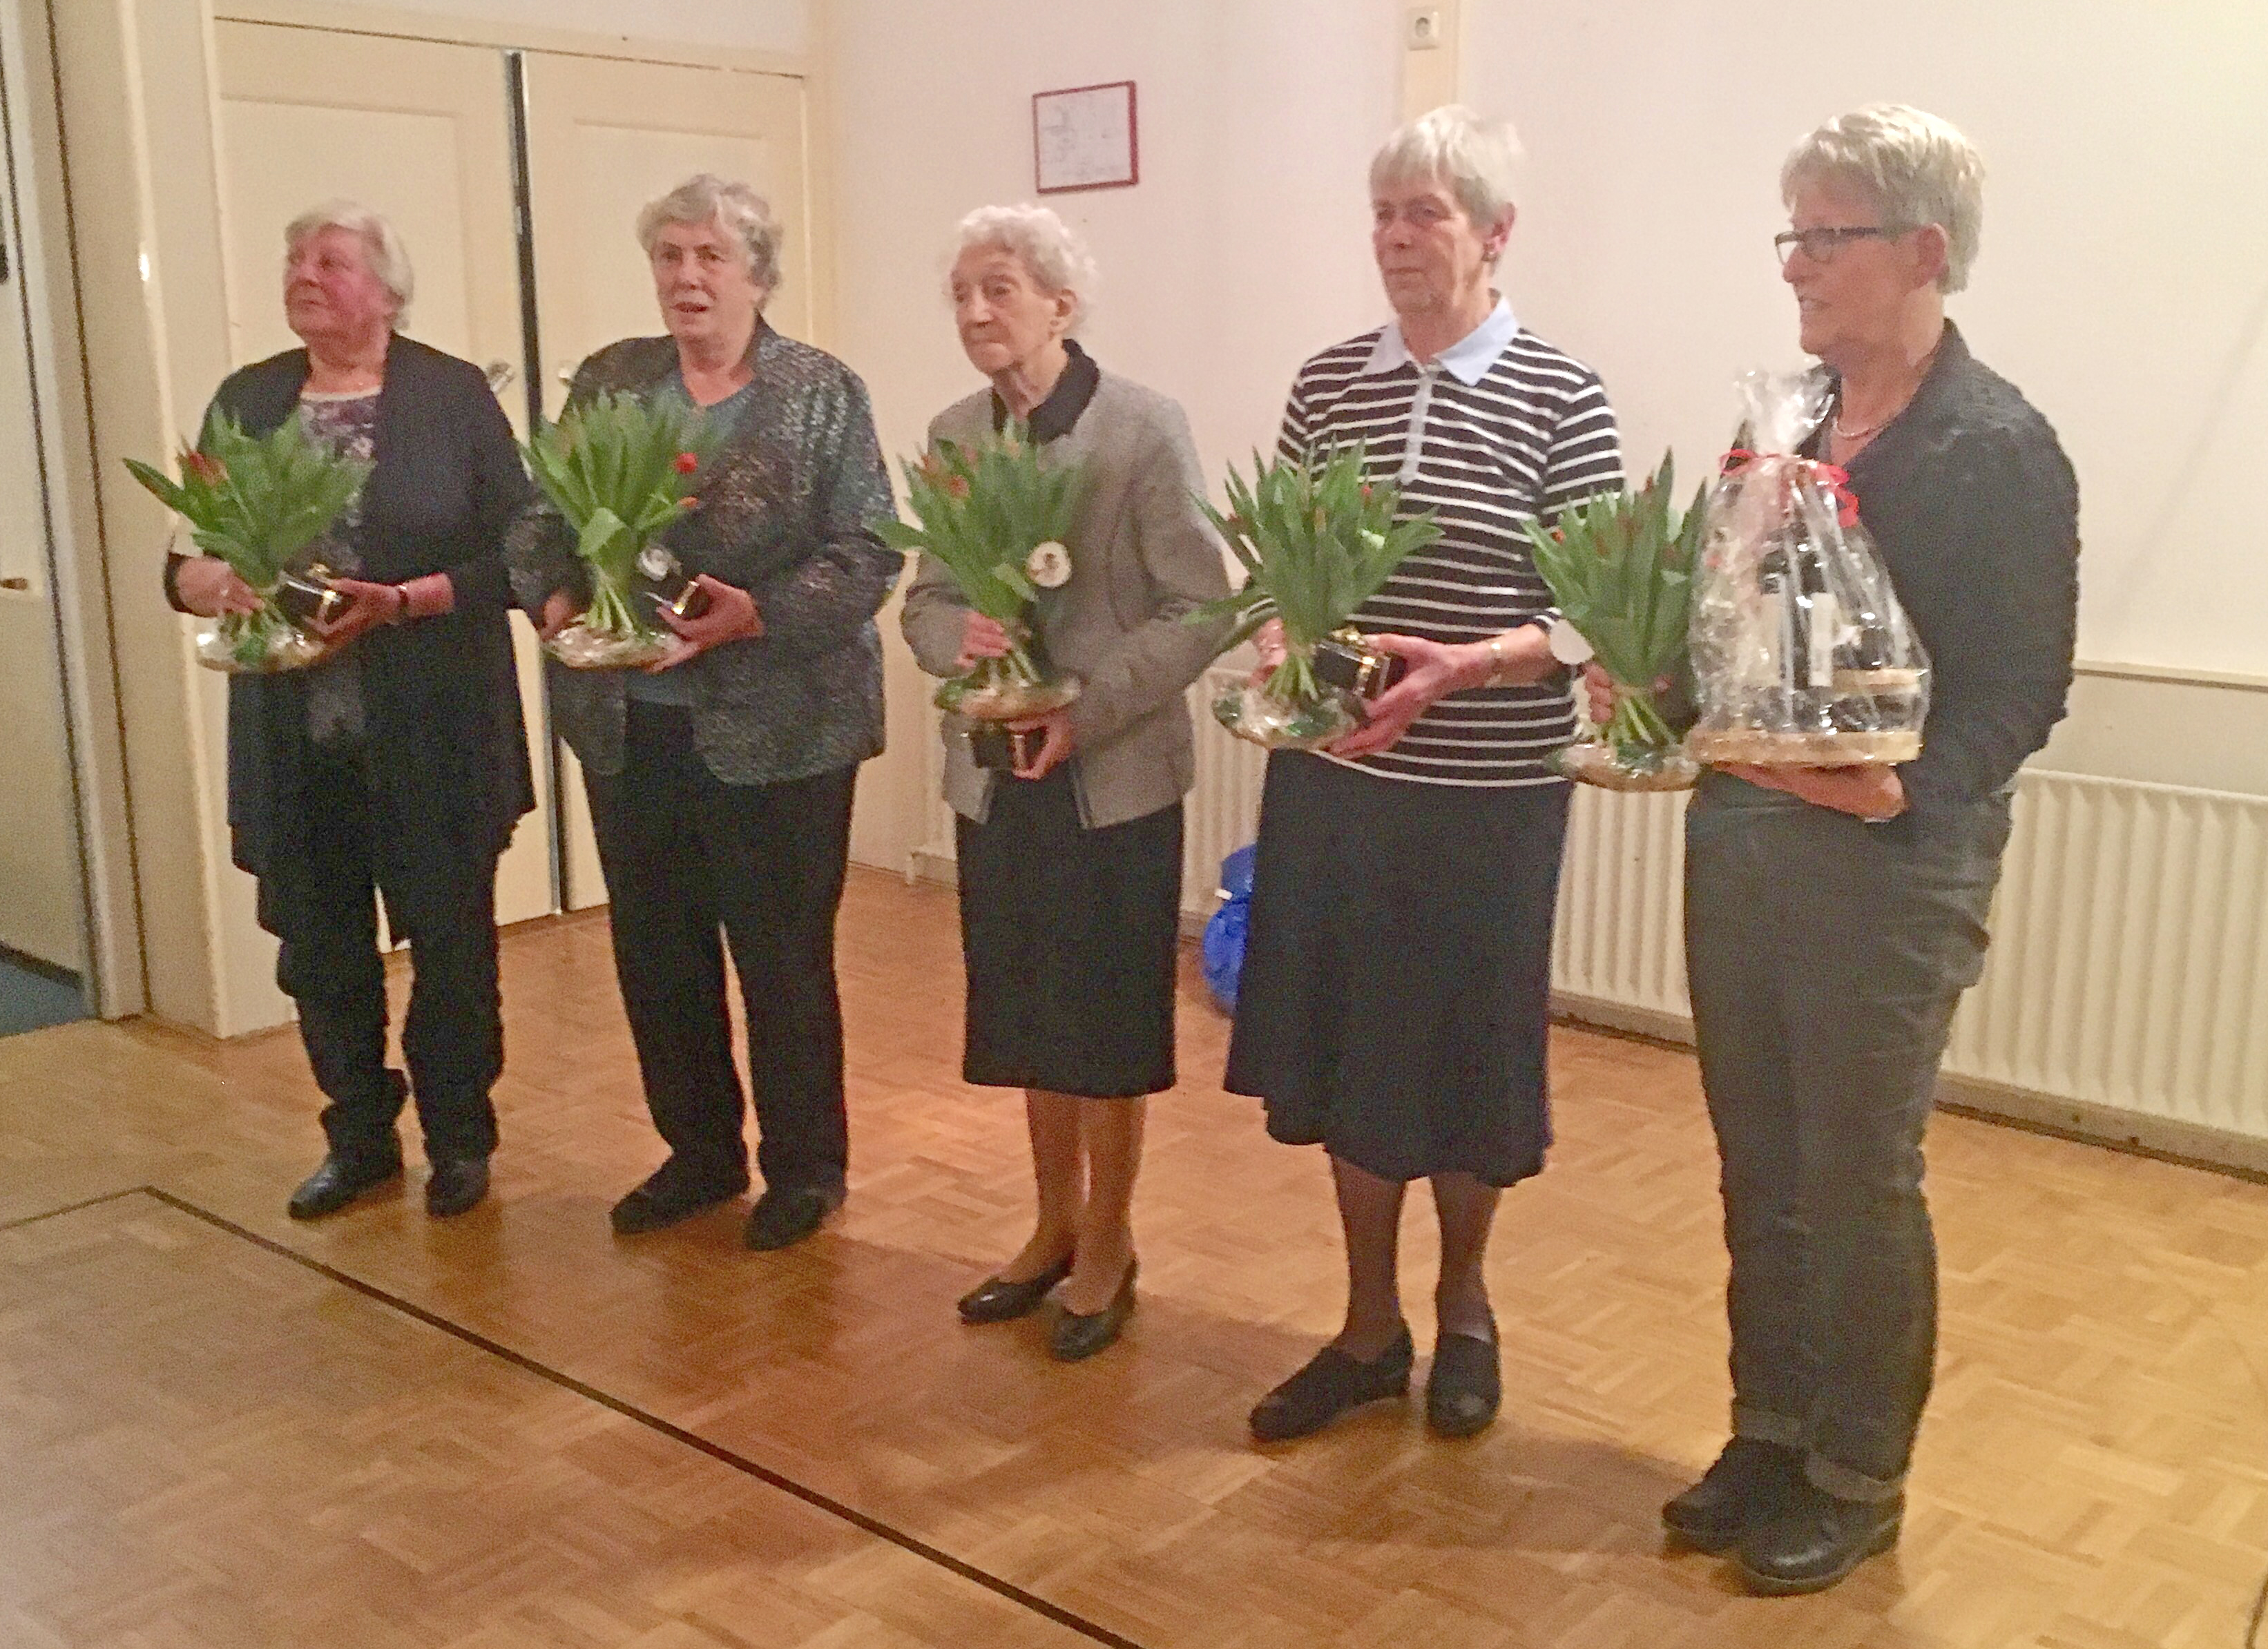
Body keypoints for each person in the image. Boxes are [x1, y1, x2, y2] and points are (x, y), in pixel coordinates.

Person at [1603, 105, 2079, 1595]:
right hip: (1743, 830)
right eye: (1789, 234)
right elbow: (1727, 613)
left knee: (1856, 1171)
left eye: (1825, 235)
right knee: (1761, 1163)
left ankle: (1858, 1474)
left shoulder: (1994, 445)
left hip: (1886, 862)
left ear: (1922, 252)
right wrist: (1647, 680)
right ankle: (1770, 1430)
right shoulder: (1785, 416)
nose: (1795, 265)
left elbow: (2019, 687)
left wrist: (1907, 791)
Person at [1225, 108, 1622, 1441]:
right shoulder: (1328, 381)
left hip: (1488, 800)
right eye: (1384, 213)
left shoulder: (1563, 395)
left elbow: (1595, 616)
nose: (1397, 238)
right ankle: (1363, 1327)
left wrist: (1467, 665)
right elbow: (1281, 568)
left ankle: (1464, 1309)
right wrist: (1279, 630)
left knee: (1463, 1064)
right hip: (1340, 781)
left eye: (1428, 214)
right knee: (1345, 1053)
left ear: (1495, 234)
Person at [509, 174, 899, 1252]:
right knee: (657, 949)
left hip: (782, 727)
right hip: (630, 720)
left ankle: (805, 1169)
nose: (687, 276)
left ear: (757, 274)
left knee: (781, 957)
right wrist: (551, 598)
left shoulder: (820, 390)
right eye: (671, 256)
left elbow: (868, 552)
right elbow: (539, 516)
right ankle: (699, 1152)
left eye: (710, 257)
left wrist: (755, 615)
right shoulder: (612, 379)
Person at [901, 206, 1229, 1360]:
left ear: (1061, 304)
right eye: (961, 293)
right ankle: (1047, 1228)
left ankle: (1109, 1242)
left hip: (1110, 776)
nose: (977, 313)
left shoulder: (1141, 430)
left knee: (1105, 1024)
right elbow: (924, 604)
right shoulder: (953, 435)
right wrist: (964, 643)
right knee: (1030, 1017)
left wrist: (1082, 714)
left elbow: (1205, 605)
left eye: (999, 289)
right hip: (997, 779)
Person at [164, 202, 534, 1221]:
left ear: (386, 288)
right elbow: (185, 556)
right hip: (297, 734)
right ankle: (359, 1135)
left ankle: (460, 1138)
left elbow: (521, 553)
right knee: (321, 950)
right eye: (295, 259)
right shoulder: (249, 400)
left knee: (451, 948)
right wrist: (213, 585)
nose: (304, 274)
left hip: (433, 728)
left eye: (329, 261)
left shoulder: (452, 396)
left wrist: (407, 601)